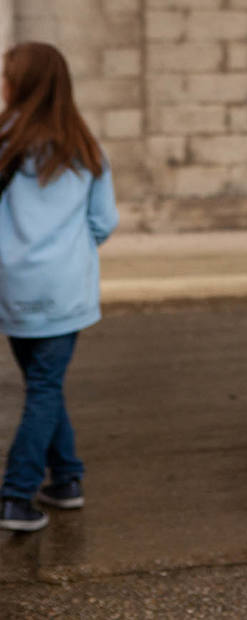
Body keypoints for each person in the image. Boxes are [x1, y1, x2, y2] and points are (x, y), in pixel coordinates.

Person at [0, 42, 118, 533]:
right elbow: (103, 222)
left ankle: (51, 484)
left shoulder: (4, 143)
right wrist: (67, 251)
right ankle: (34, 489)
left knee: (42, 385)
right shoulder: (85, 147)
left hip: (11, 286)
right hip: (65, 288)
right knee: (45, 387)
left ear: (20, 83)